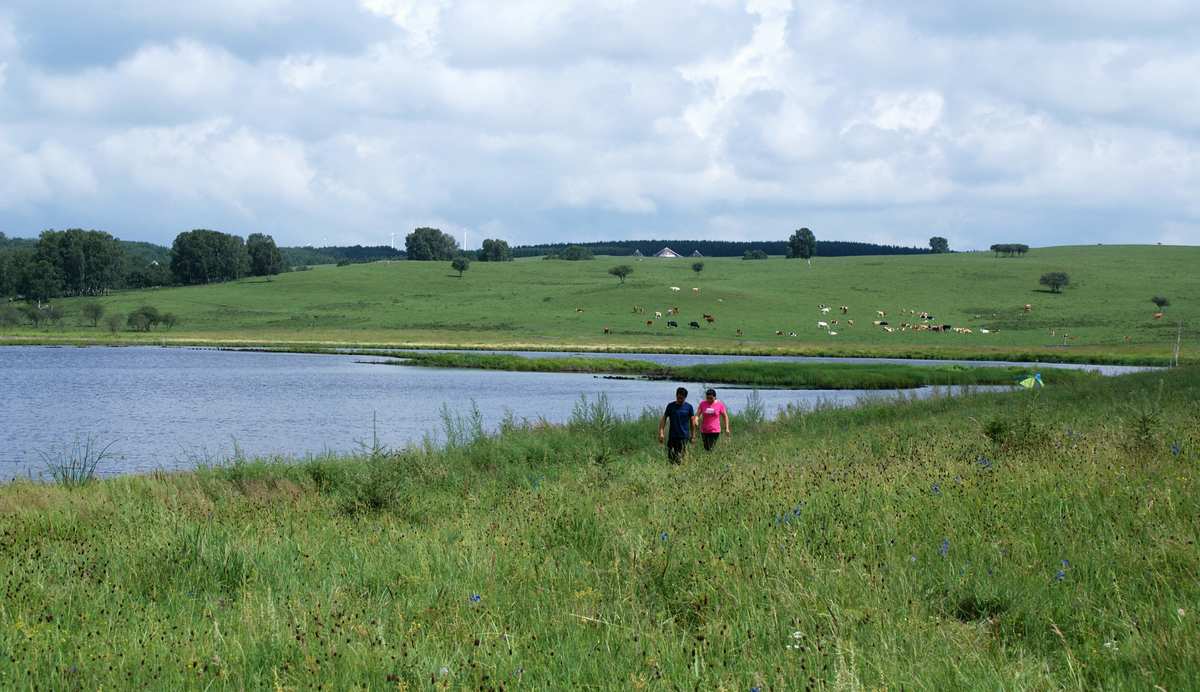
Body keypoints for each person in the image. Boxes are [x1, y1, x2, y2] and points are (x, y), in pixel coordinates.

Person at [658, 387, 697, 464]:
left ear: (685, 397)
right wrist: (661, 432)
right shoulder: (670, 406)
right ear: (676, 395)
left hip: (684, 437)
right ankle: (672, 472)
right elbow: (664, 419)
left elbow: (692, 422)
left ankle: (680, 472)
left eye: (682, 398)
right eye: (678, 397)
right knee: (671, 458)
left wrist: (693, 436)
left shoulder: (689, 407)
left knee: (681, 458)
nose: (679, 399)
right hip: (672, 436)